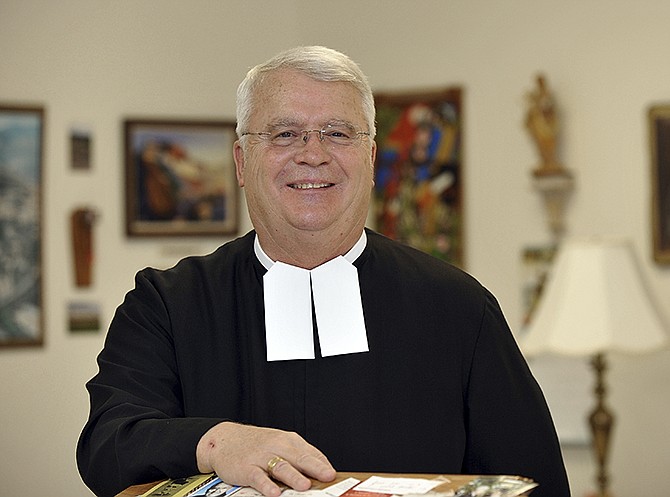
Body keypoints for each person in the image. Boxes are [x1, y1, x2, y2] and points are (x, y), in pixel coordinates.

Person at [77, 46, 570, 497]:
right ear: (241, 161)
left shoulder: (459, 307)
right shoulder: (165, 304)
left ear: (371, 157)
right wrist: (216, 443)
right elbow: (107, 445)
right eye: (284, 133)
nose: (312, 154)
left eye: (338, 133)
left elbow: (533, 483)